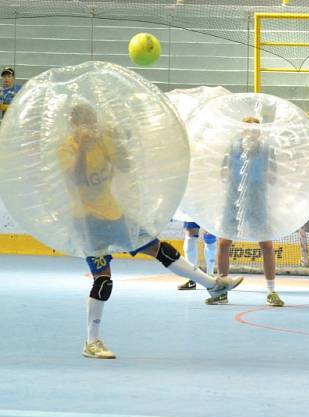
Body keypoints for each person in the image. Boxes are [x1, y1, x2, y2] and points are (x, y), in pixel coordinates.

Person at [59, 103, 242, 359]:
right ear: (73, 125)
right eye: (82, 123)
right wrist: (83, 149)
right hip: (87, 222)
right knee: (103, 280)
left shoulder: (101, 141)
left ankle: (212, 285)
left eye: (91, 122)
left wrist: (118, 141)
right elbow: (75, 178)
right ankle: (92, 341)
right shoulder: (67, 147)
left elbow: (123, 166)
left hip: (113, 214)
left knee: (157, 247)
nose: (87, 128)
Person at [207, 116, 284, 307]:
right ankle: (222, 289)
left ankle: (271, 291)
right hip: (233, 199)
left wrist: (269, 175)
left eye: (256, 130)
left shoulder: (266, 150)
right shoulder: (233, 148)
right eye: (248, 129)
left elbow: (274, 177)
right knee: (224, 242)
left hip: (257, 199)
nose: (252, 133)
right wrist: (229, 176)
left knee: (266, 244)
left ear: (260, 133)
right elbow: (222, 173)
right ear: (241, 131)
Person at [177, 222, 217, 290]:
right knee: (190, 235)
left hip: (210, 212)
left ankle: (210, 277)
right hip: (192, 211)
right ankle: (191, 279)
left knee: (209, 235)